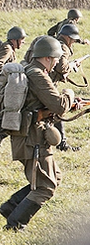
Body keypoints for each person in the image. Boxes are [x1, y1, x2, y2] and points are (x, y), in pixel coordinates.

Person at [0, 36, 73, 231]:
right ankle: (15, 223)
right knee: (45, 187)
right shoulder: (38, 74)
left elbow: (46, 106)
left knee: (53, 177)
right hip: (32, 139)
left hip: (30, 135)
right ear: (48, 57)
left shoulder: (32, 69)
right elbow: (59, 105)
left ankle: (12, 207)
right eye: (56, 58)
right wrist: (69, 94)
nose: (57, 62)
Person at [48, 24, 82, 152]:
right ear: (68, 37)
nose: (73, 42)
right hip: (47, 82)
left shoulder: (55, 42)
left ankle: (62, 143)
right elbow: (61, 67)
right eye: (73, 39)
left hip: (48, 81)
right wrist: (71, 66)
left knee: (56, 111)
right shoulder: (63, 46)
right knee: (57, 109)